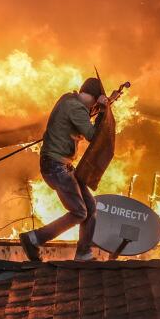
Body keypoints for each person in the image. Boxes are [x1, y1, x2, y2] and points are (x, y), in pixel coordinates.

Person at [18, 77, 108, 262]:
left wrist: (97, 108)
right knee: (79, 212)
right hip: (56, 165)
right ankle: (33, 239)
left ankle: (84, 253)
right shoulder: (76, 108)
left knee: (90, 207)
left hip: (61, 165)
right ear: (93, 97)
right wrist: (102, 112)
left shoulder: (68, 99)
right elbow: (93, 136)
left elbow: (81, 119)